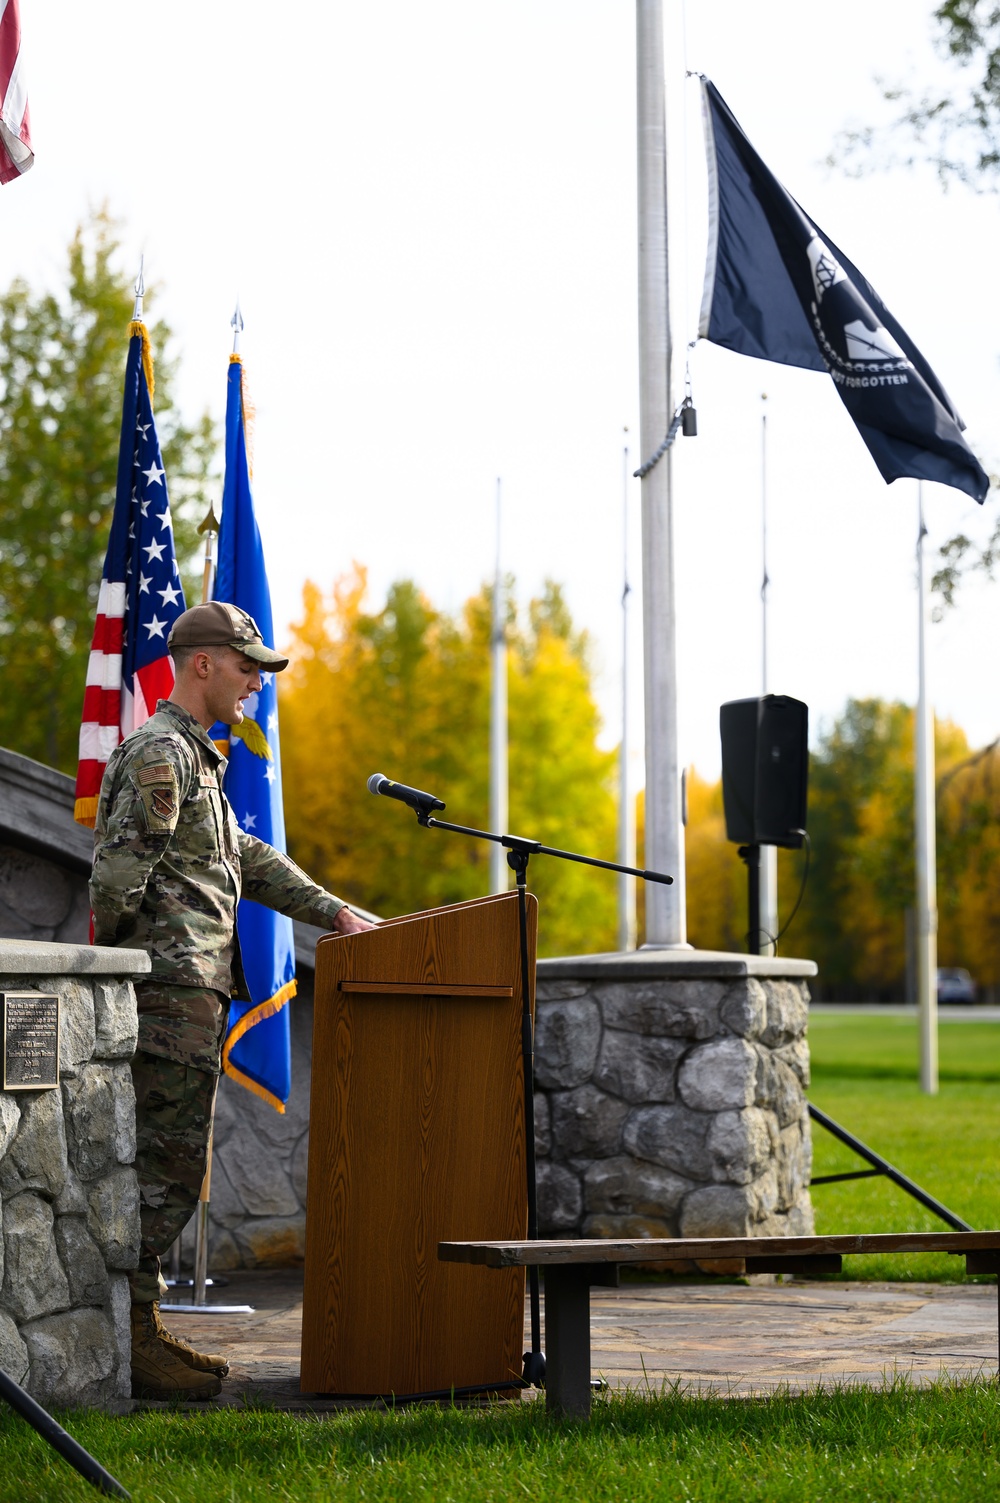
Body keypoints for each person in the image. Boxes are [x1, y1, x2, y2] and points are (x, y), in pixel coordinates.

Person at [90, 600, 373, 1400]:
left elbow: (246, 857)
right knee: (161, 1174)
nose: (256, 682)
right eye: (247, 665)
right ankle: (129, 1339)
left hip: (192, 1002)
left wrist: (336, 911)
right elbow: (115, 886)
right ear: (203, 662)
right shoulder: (158, 754)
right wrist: (137, 985)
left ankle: (137, 1326)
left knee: (171, 1175)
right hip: (168, 1003)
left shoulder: (196, 762)